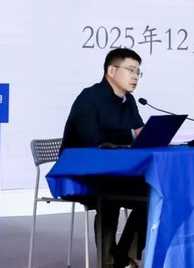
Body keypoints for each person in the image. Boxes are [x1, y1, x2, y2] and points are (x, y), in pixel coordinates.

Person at [61, 48, 149, 268]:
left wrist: (156, 135)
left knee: (156, 192)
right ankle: (108, 263)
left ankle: (122, 256)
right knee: (109, 195)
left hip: (117, 171)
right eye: (131, 70)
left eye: (138, 72)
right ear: (111, 70)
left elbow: (140, 133)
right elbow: (91, 140)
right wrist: (128, 137)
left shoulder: (129, 101)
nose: (135, 77)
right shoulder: (88, 98)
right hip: (83, 173)